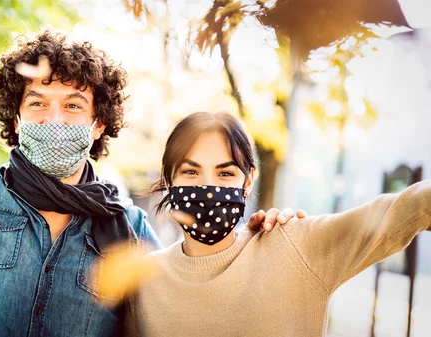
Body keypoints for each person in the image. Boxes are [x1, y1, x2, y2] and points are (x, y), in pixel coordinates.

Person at [0, 3, 302, 336]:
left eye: (73, 105)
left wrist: (261, 245)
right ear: (16, 118)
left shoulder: (132, 233)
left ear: (98, 123)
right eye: (37, 102)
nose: (54, 119)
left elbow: (193, 309)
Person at [129, 111, 431, 337]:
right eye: (191, 173)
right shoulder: (143, 281)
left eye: (225, 174)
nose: (208, 188)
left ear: (248, 181)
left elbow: (409, 209)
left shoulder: (297, 246)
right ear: (168, 179)